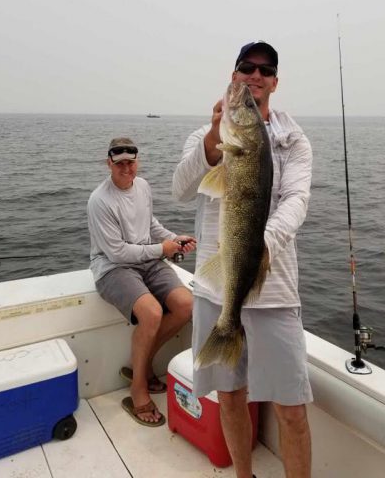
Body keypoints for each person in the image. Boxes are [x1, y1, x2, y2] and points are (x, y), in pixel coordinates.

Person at [172, 42, 313, 478]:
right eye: (246, 67)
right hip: (216, 291)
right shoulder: (206, 136)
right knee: (230, 396)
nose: (255, 75)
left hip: (275, 292)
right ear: (233, 76)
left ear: (275, 82)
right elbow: (180, 189)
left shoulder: (294, 141)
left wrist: (258, 245)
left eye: (265, 70)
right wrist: (214, 143)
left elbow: (296, 202)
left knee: (291, 408)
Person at [87, 137, 196, 427]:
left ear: (138, 161)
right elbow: (117, 252)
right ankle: (138, 388)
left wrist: (173, 239)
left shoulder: (143, 186)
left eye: (131, 162)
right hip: (113, 267)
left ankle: (142, 365)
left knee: (186, 305)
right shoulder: (100, 201)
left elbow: (149, 224)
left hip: (147, 260)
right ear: (108, 163)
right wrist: (162, 249)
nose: (126, 168)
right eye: (119, 163)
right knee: (152, 312)